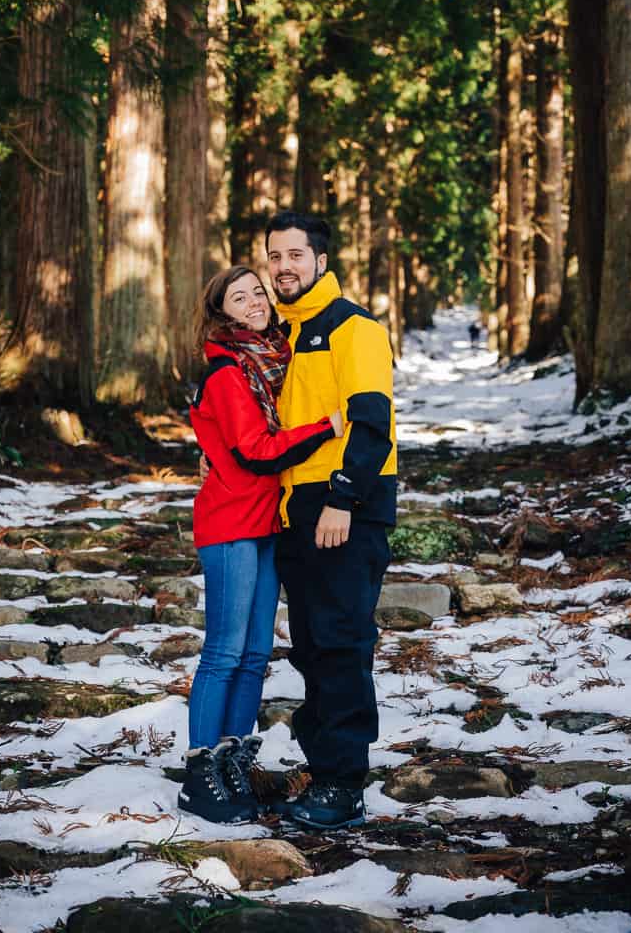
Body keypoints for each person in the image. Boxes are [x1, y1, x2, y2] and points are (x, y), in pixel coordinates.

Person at [179, 265, 344, 824]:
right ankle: (201, 775)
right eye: (238, 296)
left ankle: (235, 765)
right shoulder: (228, 372)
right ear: (221, 311)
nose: (253, 301)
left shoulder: (271, 362)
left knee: (254, 656)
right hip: (230, 522)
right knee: (225, 652)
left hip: (267, 521)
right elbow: (256, 450)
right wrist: (327, 426)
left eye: (258, 292)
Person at [265, 210, 397, 830]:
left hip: (346, 508)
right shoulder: (283, 336)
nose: (283, 267)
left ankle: (345, 785)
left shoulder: (354, 328)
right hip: (295, 511)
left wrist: (343, 498)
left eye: (295, 255)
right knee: (314, 647)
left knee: (343, 645)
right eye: (275, 257)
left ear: (321, 261)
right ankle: (322, 771)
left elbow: (371, 422)